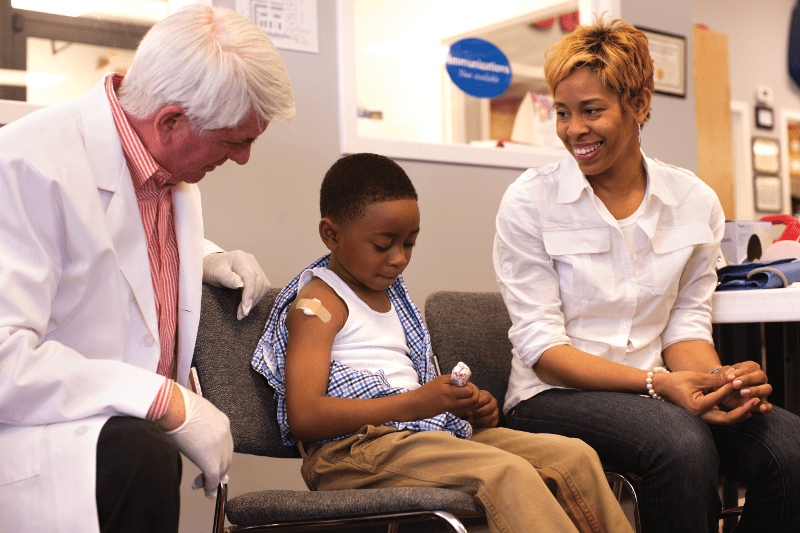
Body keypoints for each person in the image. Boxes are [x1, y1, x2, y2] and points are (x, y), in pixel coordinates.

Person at [493, 17, 800, 533]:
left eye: (592, 111)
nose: (574, 130)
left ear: (639, 104)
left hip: (663, 394)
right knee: (680, 444)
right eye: (564, 113)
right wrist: (660, 384)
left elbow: (685, 324)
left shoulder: (693, 201)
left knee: (789, 449)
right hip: (551, 398)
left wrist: (714, 382)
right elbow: (544, 352)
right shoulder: (531, 201)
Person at [0, 5, 295, 533]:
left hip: (124, 452)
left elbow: (108, 247)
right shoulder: (25, 165)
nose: (245, 158)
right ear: (171, 121)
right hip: (45, 445)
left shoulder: (167, 177)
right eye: (235, 140)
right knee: (142, 453)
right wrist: (162, 398)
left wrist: (201, 255)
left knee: (144, 454)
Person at [252, 153, 634, 533]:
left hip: (418, 435)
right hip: (350, 453)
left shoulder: (391, 298)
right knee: (505, 472)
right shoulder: (317, 305)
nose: (399, 258)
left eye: (410, 243)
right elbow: (304, 417)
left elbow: (409, 391)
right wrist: (418, 403)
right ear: (331, 234)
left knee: (574, 456)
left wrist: (467, 408)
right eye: (383, 244)